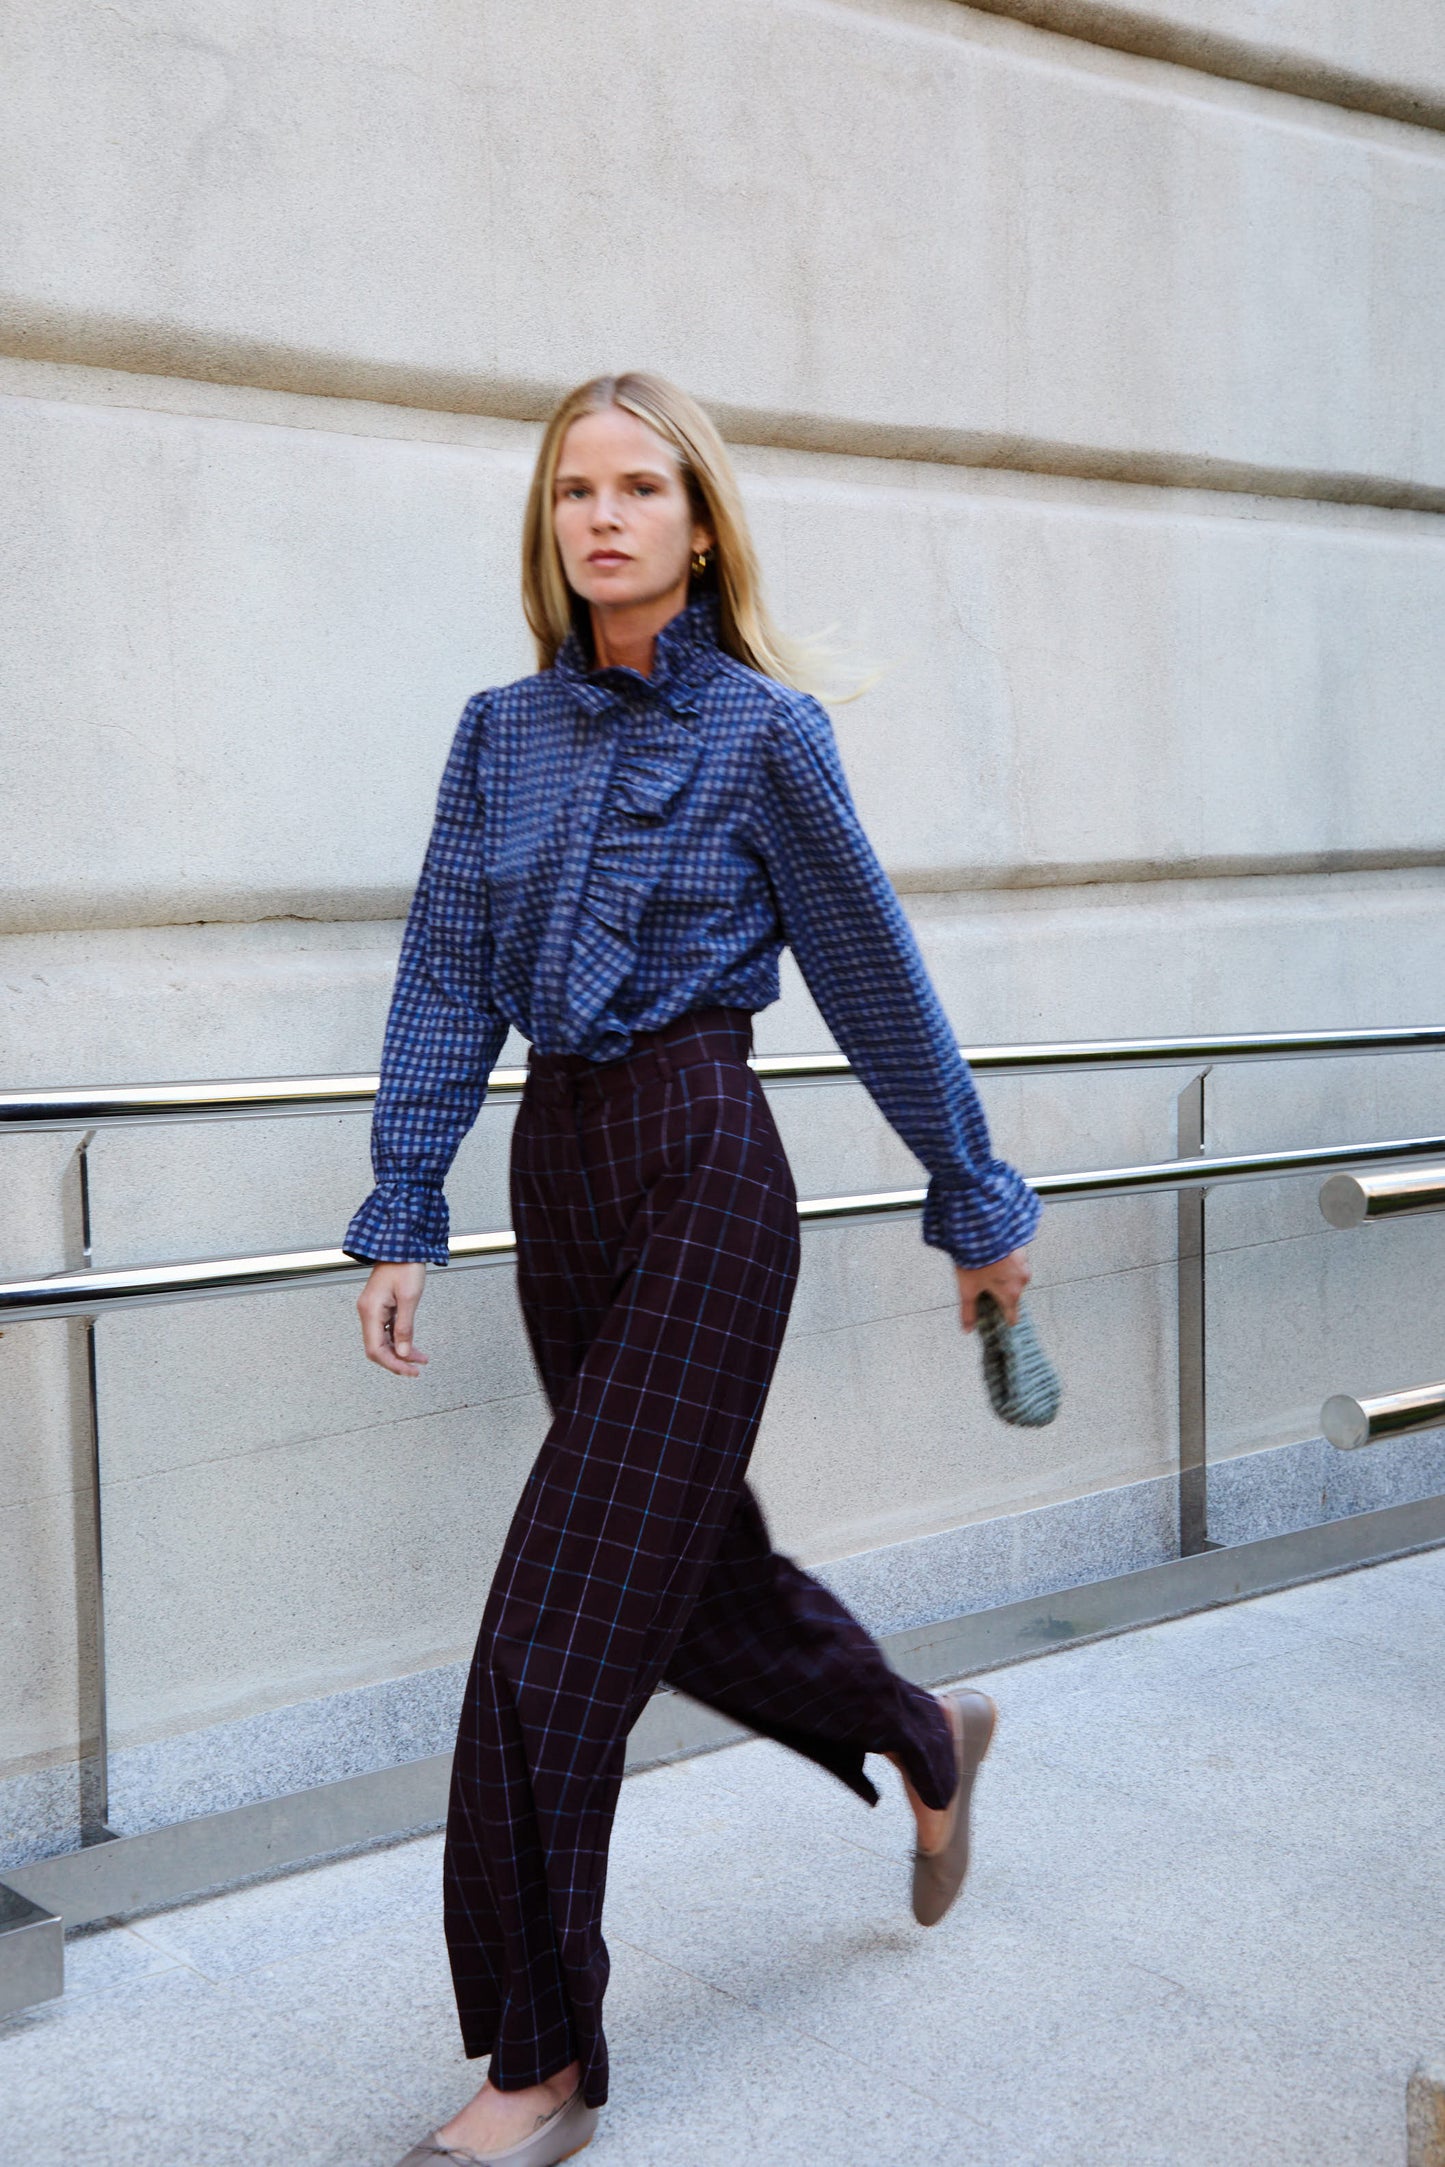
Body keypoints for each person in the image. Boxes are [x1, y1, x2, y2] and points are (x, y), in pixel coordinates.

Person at [345, 372, 1040, 2167]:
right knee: (684, 1577)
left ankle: (540, 2062)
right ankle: (921, 1731)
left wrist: (973, 1196)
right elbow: (438, 974)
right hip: (558, 1172)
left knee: (552, 1636)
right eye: (573, 487)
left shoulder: (763, 736)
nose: (601, 515)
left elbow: (875, 979)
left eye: (639, 486)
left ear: (700, 522)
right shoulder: (494, 734)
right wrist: (403, 1198)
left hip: (705, 1168)